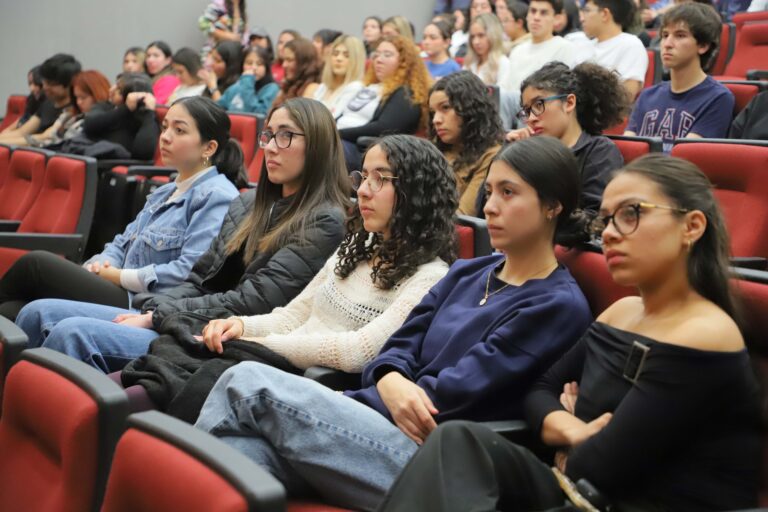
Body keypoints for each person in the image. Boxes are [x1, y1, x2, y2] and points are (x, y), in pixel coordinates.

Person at [193, 136, 593, 511]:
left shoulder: (555, 304)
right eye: (490, 191)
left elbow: (455, 395)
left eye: (509, 193)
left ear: (552, 205)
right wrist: (389, 377)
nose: (489, 207)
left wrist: (383, 382)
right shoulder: (469, 272)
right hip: (376, 423)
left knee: (246, 382)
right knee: (246, 456)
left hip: (431, 458)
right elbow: (398, 347)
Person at [379, 153, 762, 512]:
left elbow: (601, 465)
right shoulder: (623, 311)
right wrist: (574, 428)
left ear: (692, 226)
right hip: (576, 491)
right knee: (456, 441)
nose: (610, 233)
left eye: (631, 214)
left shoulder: (706, 331)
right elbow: (542, 391)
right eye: (607, 218)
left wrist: (568, 450)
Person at [14, 98, 348, 375]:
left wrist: (157, 315)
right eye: (268, 135)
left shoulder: (323, 221)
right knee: (37, 312)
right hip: (183, 316)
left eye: (286, 136)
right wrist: (156, 309)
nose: (271, 147)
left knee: (72, 333)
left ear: (316, 144)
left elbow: (253, 302)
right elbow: (199, 278)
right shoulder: (248, 203)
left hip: (221, 337)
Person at [158, 135, 457, 421]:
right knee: (168, 352)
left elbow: (357, 352)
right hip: (271, 359)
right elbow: (294, 316)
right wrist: (240, 325)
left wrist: (258, 342)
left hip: (306, 385)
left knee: (184, 374)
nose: (364, 190)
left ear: (417, 193)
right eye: (363, 177)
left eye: (380, 179)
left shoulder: (429, 277)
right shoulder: (356, 248)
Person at [1, 96, 244, 321]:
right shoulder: (165, 191)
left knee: (36, 264)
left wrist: (115, 276)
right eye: (165, 127)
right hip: (117, 287)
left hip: (142, 305)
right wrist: (99, 265)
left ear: (208, 148)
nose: (166, 137)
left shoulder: (217, 197)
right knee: (13, 311)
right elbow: (121, 243)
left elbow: (188, 273)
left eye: (179, 130)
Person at [505, 62, 627, 212]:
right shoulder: (529, 153)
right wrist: (508, 153)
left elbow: (595, 219)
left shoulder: (600, 152)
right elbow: (483, 212)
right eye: (526, 110)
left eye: (539, 104)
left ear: (569, 103)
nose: (531, 118)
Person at [625, 3, 734, 152]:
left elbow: (685, 158)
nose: (667, 44)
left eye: (680, 35)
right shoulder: (647, 95)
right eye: (665, 35)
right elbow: (627, 150)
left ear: (703, 45)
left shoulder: (718, 98)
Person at [335, 35, 431, 171]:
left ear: (405, 62)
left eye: (387, 55)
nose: (379, 60)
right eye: (377, 54)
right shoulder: (369, 86)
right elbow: (344, 114)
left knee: (319, 148)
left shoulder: (406, 93)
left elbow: (383, 128)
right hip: (341, 140)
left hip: (361, 149)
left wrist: (336, 133)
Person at [429, 71, 503, 216]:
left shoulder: (492, 156)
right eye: (433, 112)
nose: (436, 120)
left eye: (445, 108)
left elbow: (462, 218)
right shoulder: (433, 149)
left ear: (471, 109)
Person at [15, 70, 111, 150]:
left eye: (83, 97)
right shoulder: (68, 115)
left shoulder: (103, 121)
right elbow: (49, 138)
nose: (79, 102)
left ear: (98, 95)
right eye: (76, 98)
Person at [0, 54, 80, 143]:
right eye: (44, 82)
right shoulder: (47, 103)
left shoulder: (74, 110)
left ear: (69, 84)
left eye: (51, 84)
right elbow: (21, 132)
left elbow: (44, 137)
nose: (45, 87)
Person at [78, 73, 160, 160]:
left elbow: (143, 154)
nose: (111, 90)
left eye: (119, 91)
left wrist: (148, 113)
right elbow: (89, 124)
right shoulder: (107, 106)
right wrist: (125, 109)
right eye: (115, 85)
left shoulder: (146, 120)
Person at [500, 0, 576, 94]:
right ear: (527, 16)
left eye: (543, 13)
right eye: (533, 11)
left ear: (556, 19)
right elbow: (503, 88)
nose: (536, 17)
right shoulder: (517, 50)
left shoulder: (564, 48)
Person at [579, 0, 649, 100]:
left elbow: (625, 98)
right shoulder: (583, 46)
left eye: (587, 11)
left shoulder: (631, 45)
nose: (582, 18)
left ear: (604, 14)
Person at [313, 35, 366, 117]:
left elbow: (334, 118)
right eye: (335, 54)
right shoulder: (323, 87)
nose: (339, 58)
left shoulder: (355, 87)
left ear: (356, 60)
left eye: (346, 55)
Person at [218, 46, 280, 115]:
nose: (254, 67)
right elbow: (219, 109)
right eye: (249, 63)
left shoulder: (272, 89)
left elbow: (257, 114)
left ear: (266, 67)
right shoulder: (236, 87)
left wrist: (248, 80)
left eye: (259, 64)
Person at [464, 13, 510, 86]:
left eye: (481, 35)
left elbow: (502, 94)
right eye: (472, 37)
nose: (476, 42)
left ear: (493, 35)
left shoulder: (503, 63)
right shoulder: (469, 63)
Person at [272, 38, 322, 107]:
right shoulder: (286, 87)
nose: (284, 65)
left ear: (304, 62)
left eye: (289, 60)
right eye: (284, 60)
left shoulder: (313, 89)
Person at [1, 65, 44, 134]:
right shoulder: (32, 99)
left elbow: (22, 132)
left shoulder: (49, 104)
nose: (31, 88)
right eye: (30, 84)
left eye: (36, 83)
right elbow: (23, 119)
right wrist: (4, 132)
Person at [144, 41, 181, 105]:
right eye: (148, 56)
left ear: (168, 60)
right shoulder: (149, 77)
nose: (150, 60)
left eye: (156, 55)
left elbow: (157, 105)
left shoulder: (170, 79)